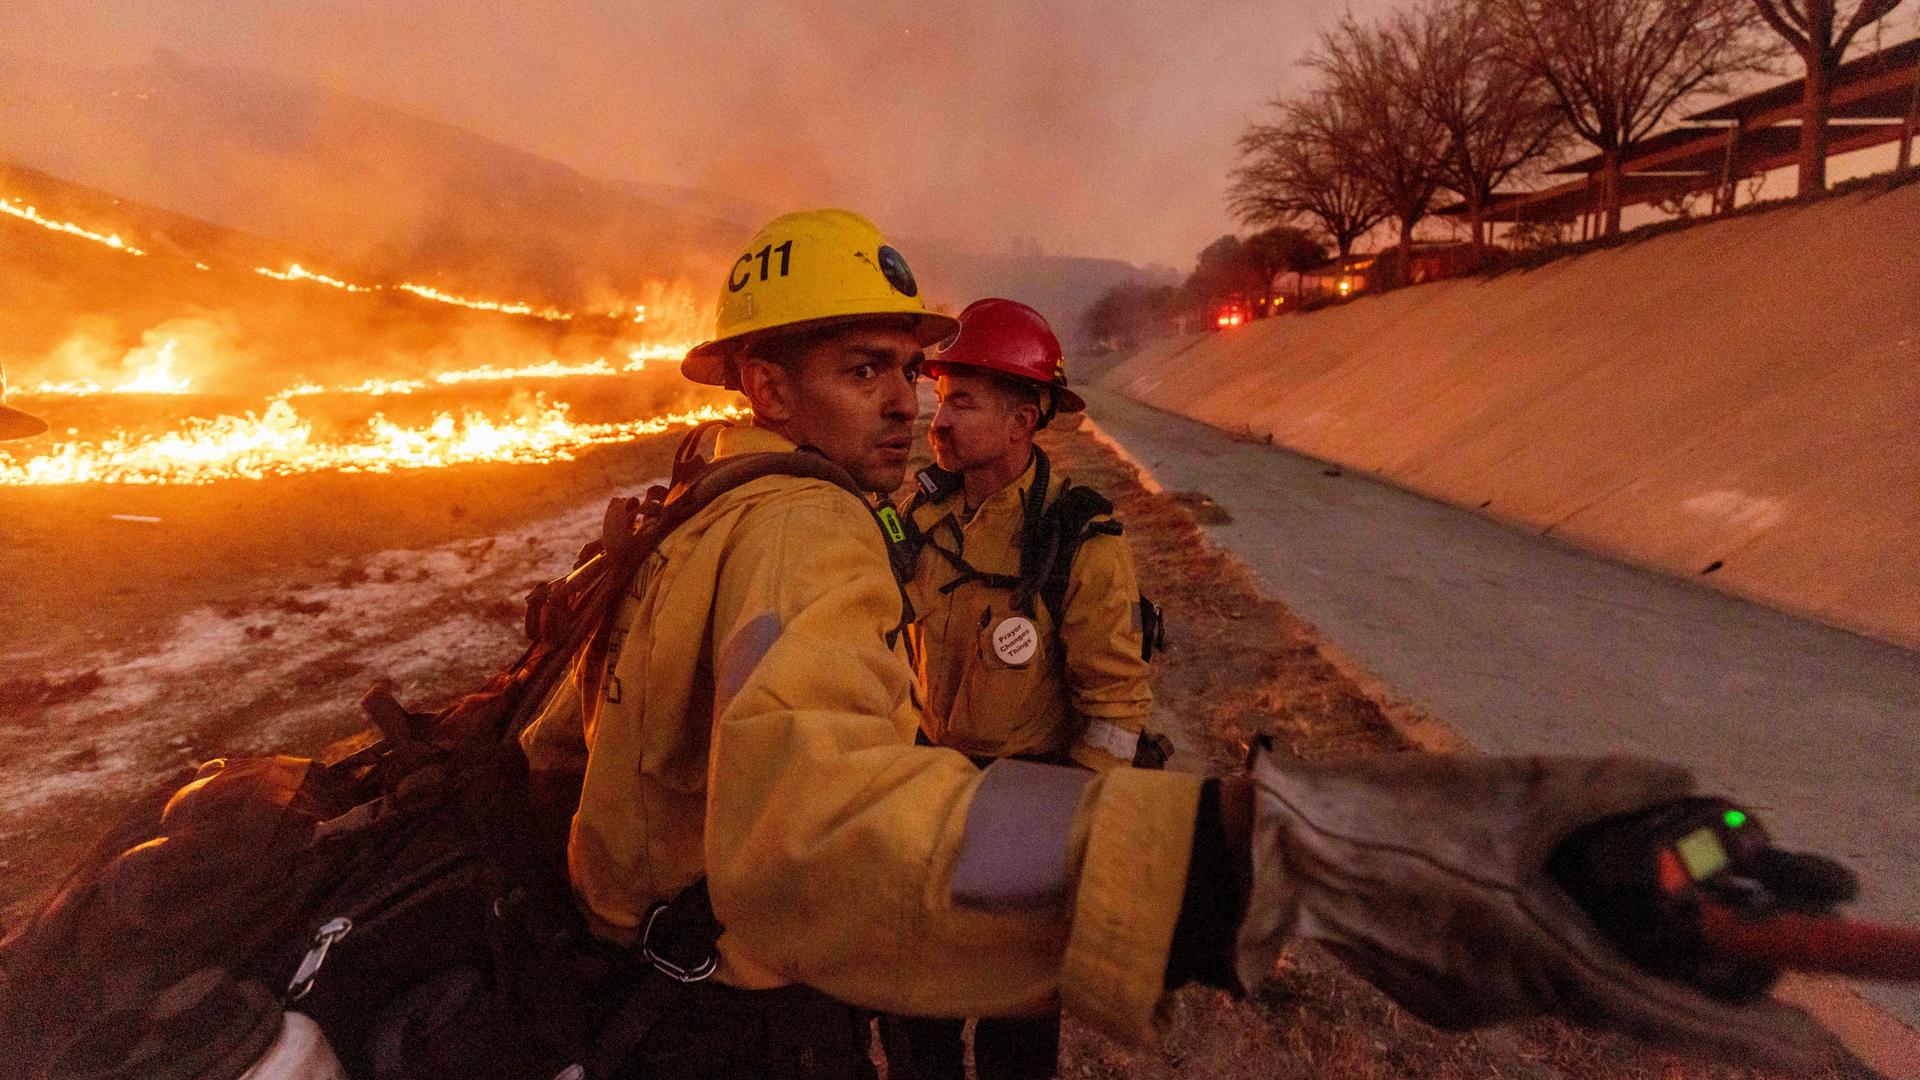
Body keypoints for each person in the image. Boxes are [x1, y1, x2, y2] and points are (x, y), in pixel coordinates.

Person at [518, 207, 1837, 1079]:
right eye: (867, 368)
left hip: (711, 960)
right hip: (742, 1002)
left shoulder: (696, 510)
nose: (910, 404)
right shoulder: (803, 532)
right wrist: (1256, 862)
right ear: (765, 382)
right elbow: (827, 825)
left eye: (917, 372)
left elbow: (572, 751)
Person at [883, 298, 1161, 1079]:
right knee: (918, 1028)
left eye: (962, 402)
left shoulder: (1080, 539)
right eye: (941, 399)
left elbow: (1114, 710)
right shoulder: (918, 511)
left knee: (1015, 1040)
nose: (939, 420)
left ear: (1022, 420)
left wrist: (1073, 834)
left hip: (1025, 810)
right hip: (922, 800)